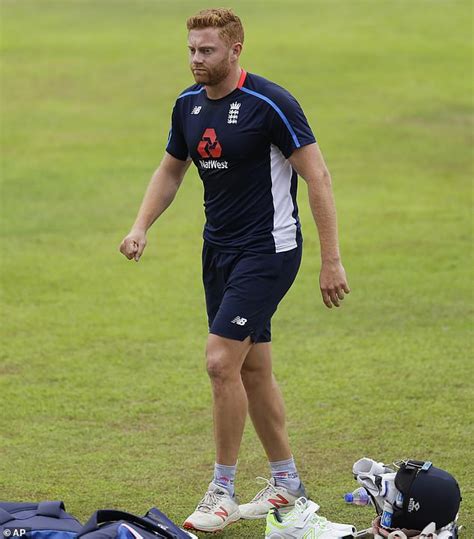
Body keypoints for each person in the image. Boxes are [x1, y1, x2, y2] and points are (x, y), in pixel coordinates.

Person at [119, 7, 350, 534]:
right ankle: (286, 481)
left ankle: (221, 490)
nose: (197, 60)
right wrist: (141, 226)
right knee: (252, 368)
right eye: (192, 51)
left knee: (221, 362)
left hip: (269, 251)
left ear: (236, 49)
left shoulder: (271, 103)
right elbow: (170, 170)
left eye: (208, 51)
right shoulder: (188, 104)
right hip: (218, 252)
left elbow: (318, 178)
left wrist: (330, 259)